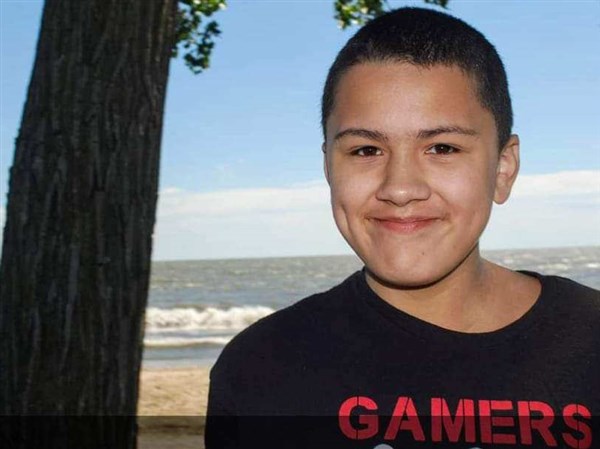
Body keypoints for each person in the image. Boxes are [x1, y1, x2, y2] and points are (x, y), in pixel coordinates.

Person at [205, 7, 599, 449]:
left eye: (442, 147)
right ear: (328, 167)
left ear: (503, 168)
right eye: (366, 150)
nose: (400, 188)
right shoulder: (260, 367)